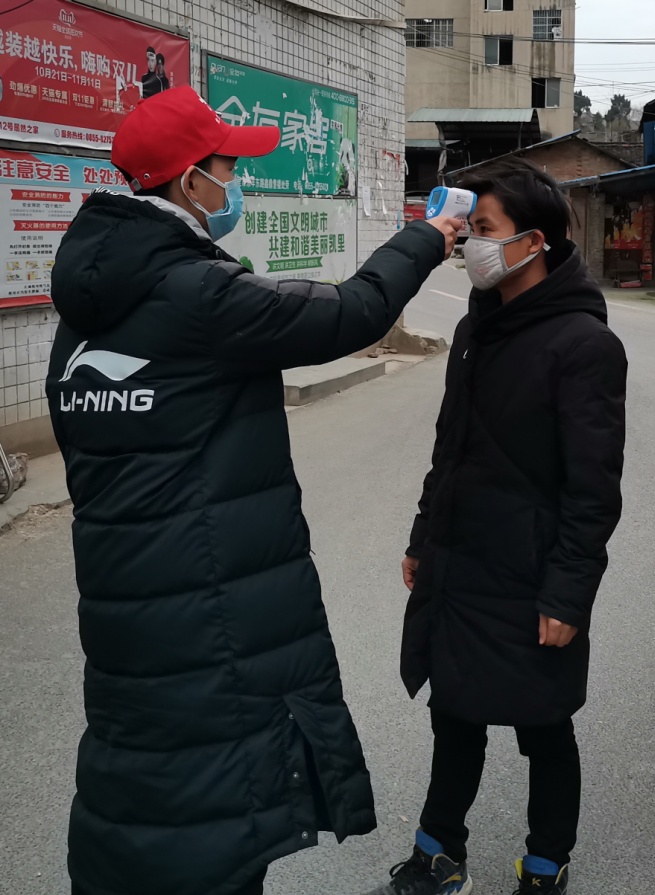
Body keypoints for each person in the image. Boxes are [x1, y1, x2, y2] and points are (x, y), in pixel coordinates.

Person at [45, 86, 461, 895]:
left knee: (147, 769)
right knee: (215, 803)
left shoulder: (85, 310)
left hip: (125, 603)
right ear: (189, 180)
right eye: (228, 167)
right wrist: (425, 236)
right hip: (206, 605)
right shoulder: (199, 293)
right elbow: (352, 311)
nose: (234, 183)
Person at [364, 159, 627, 895]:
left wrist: (567, 594)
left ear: (533, 242)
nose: (472, 244)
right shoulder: (476, 326)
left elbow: (593, 491)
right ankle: (438, 856)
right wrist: (423, 538)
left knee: (544, 726)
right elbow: (450, 447)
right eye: (471, 228)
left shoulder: (583, 344)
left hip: (532, 574)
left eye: (485, 230)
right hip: (463, 561)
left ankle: (545, 866)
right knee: (454, 714)